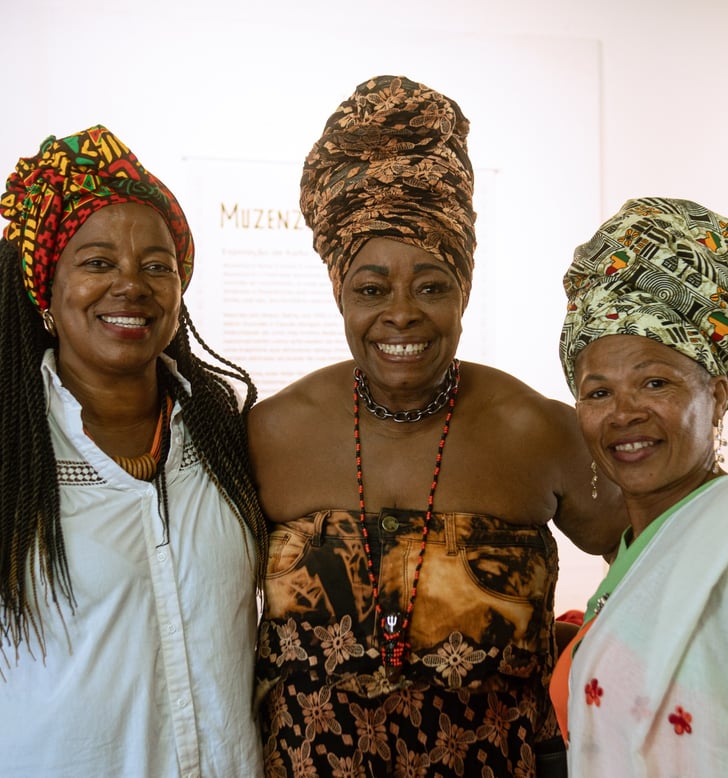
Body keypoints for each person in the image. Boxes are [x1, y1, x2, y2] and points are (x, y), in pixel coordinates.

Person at [248, 74, 626, 777]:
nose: (402, 314)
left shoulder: (537, 432)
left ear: (466, 286)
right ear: (338, 289)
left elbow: (649, 565)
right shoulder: (271, 434)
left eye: (431, 285)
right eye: (371, 288)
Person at [0, 126, 269, 776]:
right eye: (97, 263)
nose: (131, 285)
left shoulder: (226, 434)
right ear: (48, 290)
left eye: (157, 266)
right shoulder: (11, 451)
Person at [551, 196, 728, 775]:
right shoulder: (632, 557)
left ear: (717, 395)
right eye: (598, 392)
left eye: (654, 382)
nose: (624, 413)